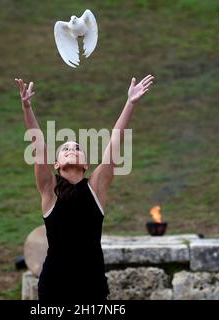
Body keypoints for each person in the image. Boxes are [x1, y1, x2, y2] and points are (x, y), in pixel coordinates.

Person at [14, 74, 154, 301]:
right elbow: (38, 147)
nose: (71, 148)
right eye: (65, 148)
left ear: (86, 164)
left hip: (92, 285)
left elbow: (114, 143)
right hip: (54, 286)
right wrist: (27, 107)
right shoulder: (50, 190)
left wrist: (130, 103)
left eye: (76, 147)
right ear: (56, 164)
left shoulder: (96, 188)